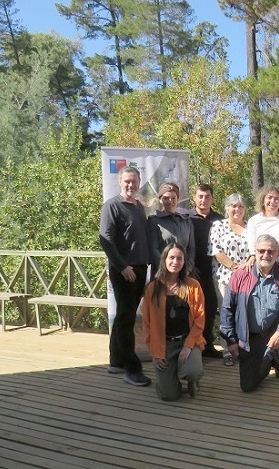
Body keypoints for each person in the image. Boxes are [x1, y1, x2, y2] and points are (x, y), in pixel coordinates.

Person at [220, 235, 279, 392]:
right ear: (254, 252)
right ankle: (271, 358)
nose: (266, 255)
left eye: (271, 251)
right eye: (261, 251)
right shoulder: (240, 276)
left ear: (278, 254)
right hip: (250, 335)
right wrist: (230, 340)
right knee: (248, 386)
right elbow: (227, 309)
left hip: (275, 330)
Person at [99, 166, 151, 387]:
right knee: (126, 319)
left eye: (134, 181)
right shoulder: (112, 205)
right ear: (120, 182)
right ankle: (132, 369)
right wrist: (122, 267)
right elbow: (105, 239)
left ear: (139, 182)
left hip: (139, 269)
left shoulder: (139, 206)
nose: (131, 185)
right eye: (127, 181)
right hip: (125, 271)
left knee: (122, 316)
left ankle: (116, 360)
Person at [142, 243, 205, 401]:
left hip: (187, 340)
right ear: (164, 260)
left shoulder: (193, 286)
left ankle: (191, 378)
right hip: (165, 344)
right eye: (171, 257)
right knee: (169, 395)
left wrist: (188, 345)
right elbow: (147, 324)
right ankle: (169, 381)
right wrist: (155, 352)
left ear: (184, 261)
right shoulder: (152, 288)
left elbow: (199, 319)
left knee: (193, 371)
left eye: (180, 258)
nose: (175, 262)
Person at [208, 193, 252, 366]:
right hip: (224, 277)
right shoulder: (218, 226)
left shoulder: (251, 227)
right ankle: (227, 350)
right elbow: (215, 251)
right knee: (226, 315)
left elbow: (256, 250)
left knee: (244, 314)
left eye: (240, 206)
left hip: (248, 278)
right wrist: (234, 267)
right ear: (227, 208)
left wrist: (247, 265)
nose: (237, 209)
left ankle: (242, 348)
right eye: (233, 206)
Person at [185, 183, 225, 359]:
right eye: (200, 196)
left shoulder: (219, 219)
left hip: (213, 271)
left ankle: (207, 344)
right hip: (191, 269)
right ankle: (191, 345)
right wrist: (188, 266)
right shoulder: (186, 218)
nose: (203, 200)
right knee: (190, 309)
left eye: (207, 197)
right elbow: (182, 244)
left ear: (212, 199)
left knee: (210, 307)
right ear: (194, 197)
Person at [147, 182, 195, 275]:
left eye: (173, 198)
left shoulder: (186, 221)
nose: (170, 201)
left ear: (178, 199)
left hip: (184, 272)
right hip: (162, 273)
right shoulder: (154, 221)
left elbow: (191, 248)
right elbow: (154, 249)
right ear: (160, 199)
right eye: (166, 198)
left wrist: (188, 268)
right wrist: (166, 268)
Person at [245, 185, 279, 255]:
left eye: (276, 198)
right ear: (263, 200)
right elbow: (252, 247)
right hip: (260, 261)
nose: (273, 201)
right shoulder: (254, 221)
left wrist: (274, 254)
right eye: (269, 197)